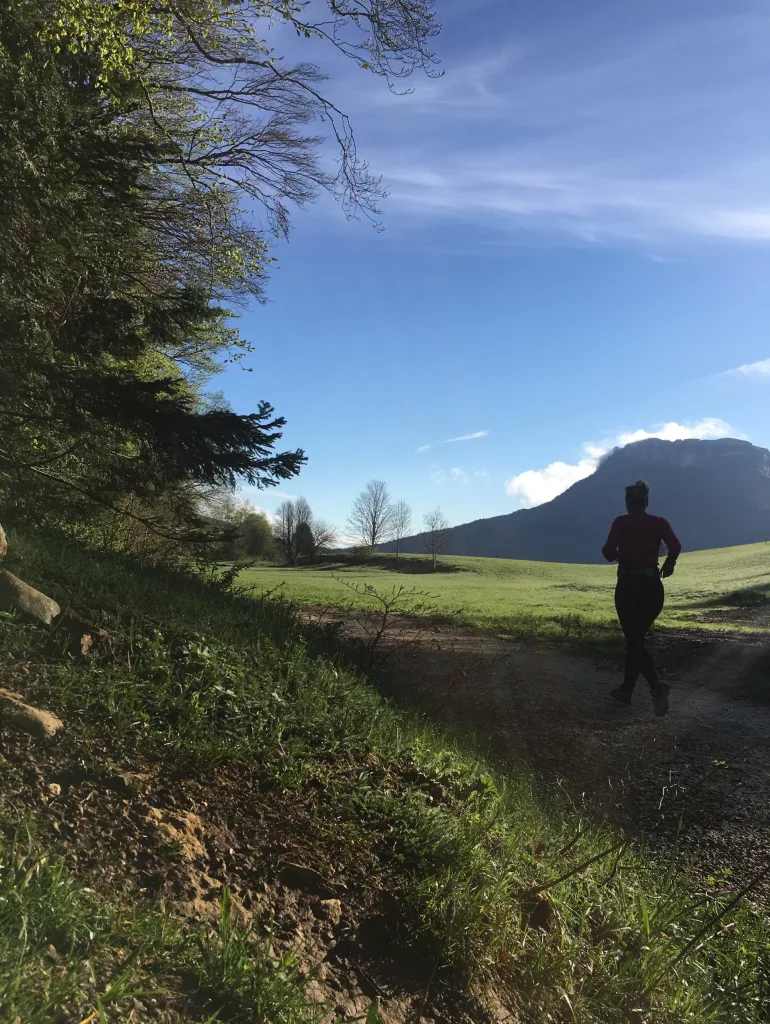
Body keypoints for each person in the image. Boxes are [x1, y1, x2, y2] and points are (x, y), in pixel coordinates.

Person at [601, 480, 681, 716]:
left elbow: (607, 552)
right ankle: (626, 690)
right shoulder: (659, 523)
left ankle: (656, 687)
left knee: (634, 638)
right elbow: (675, 545)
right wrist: (669, 563)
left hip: (628, 585)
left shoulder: (621, 522)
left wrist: (622, 555)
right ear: (645, 502)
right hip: (653, 587)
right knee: (635, 638)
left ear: (628, 503)